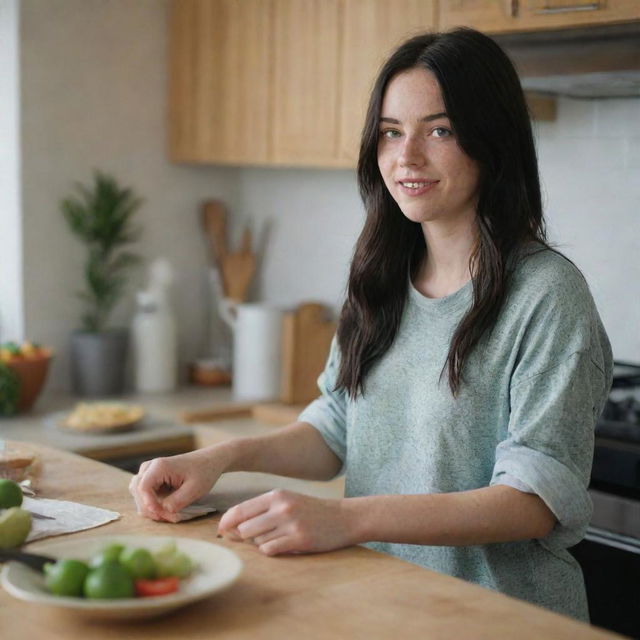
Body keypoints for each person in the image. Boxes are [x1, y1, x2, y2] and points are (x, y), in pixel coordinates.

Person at [130, 28, 613, 622]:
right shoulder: (380, 277)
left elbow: (531, 503)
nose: (406, 157)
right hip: (385, 605)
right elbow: (334, 429)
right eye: (391, 132)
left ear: (491, 140)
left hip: (501, 620)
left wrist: (345, 518)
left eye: (440, 130)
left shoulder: (546, 295)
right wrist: (219, 459)